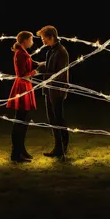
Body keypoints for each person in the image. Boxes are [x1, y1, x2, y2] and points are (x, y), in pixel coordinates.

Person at [7, 31, 44, 163]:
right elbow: (22, 74)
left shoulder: (24, 53)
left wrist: (41, 64)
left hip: (26, 87)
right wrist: (36, 72)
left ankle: (21, 150)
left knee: (23, 120)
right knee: (20, 121)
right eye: (31, 39)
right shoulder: (20, 54)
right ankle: (16, 154)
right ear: (25, 41)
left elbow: (32, 63)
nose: (32, 42)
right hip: (22, 88)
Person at [36, 25, 69, 159]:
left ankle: (62, 148)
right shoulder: (51, 51)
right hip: (49, 89)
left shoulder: (61, 52)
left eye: (44, 38)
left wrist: (39, 71)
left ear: (51, 37)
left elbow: (58, 73)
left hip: (57, 90)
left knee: (58, 119)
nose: (42, 41)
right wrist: (36, 65)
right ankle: (58, 148)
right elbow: (48, 65)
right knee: (52, 119)